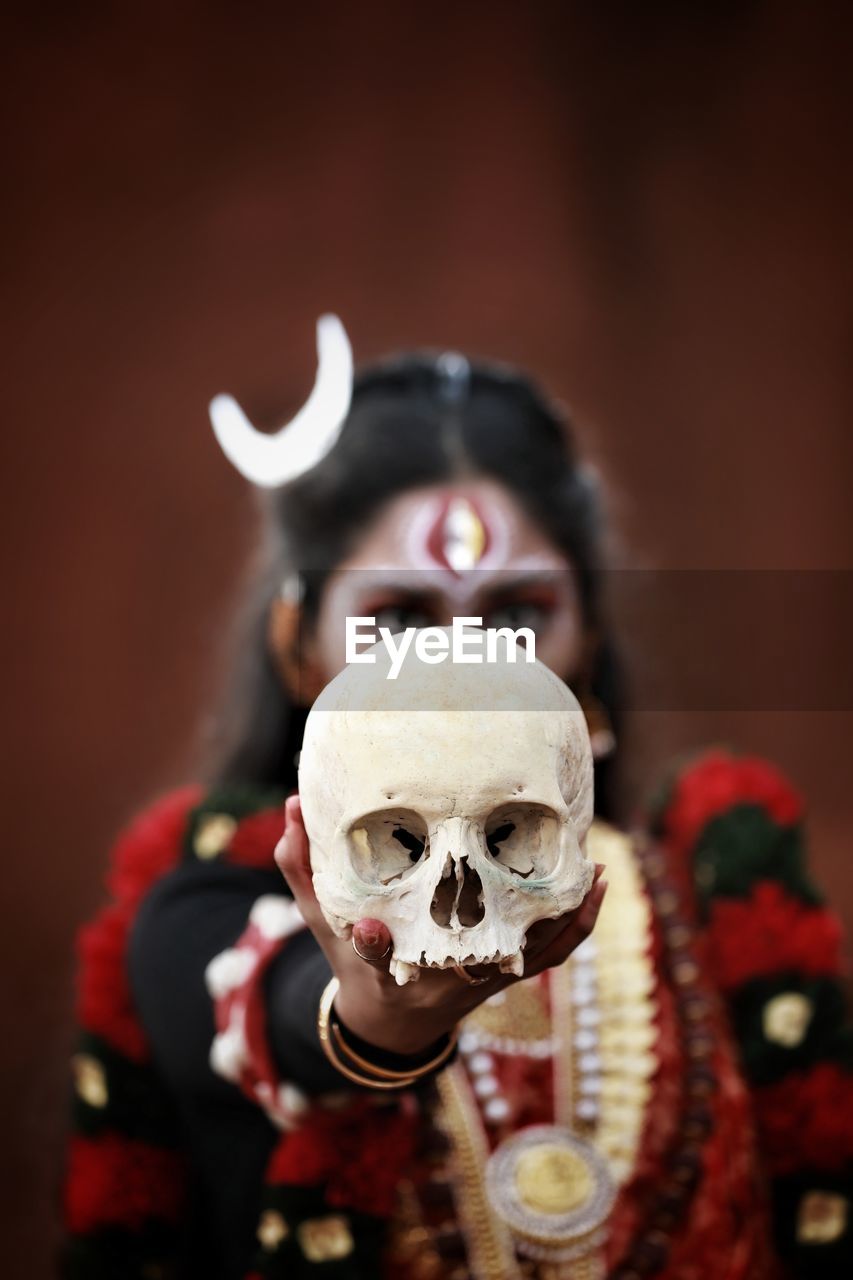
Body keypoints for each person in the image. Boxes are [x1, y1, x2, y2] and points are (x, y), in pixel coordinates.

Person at [61, 319, 852, 1280]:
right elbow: (276, 1012)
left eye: (517, 614)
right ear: (298, 646)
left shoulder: (713, 896)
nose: (466, 664)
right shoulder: (201, 916)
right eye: (399, 617)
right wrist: (374, 1024)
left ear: (590, 640)